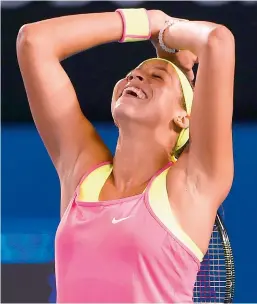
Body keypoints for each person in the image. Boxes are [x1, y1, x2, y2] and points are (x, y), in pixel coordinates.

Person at [16, 7, 235, 303]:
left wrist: (166, 31)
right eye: (132, 74)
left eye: (156, 76)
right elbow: (33, 41)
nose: (135, 77)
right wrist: (147, 21)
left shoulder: (193, 184)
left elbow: (217, 41)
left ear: (185, 116)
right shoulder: (84, 175)